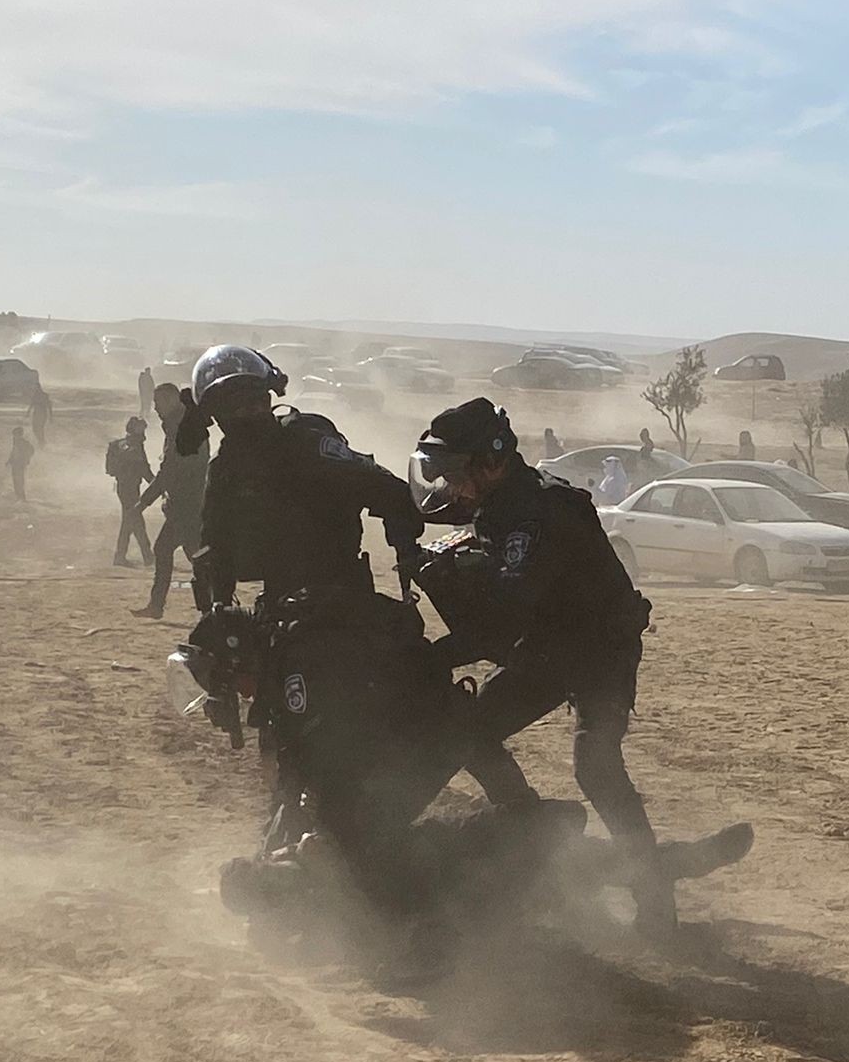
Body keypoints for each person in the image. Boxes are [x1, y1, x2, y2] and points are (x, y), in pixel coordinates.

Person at [410, 398, 671, 934]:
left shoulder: (538, 513)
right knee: (469, 731)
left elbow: (500, 622)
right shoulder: (503, 501)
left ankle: (655, 901)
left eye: (457, 475)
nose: (452, 490)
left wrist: (434, 654)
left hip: (601, 649)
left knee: (595, 766)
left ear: (491, 462)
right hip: (551, 645)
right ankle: (536, 834)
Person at [176, 344, 421, 607]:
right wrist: (219, 608)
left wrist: (407, 557)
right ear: (218, 415)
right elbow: (214, 547)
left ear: (268, 399)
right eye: (235, 408)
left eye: (254, 403)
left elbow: (392, 494)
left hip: (345, 603)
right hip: (280, 604)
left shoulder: (308, 446)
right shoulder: (225, 469)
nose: (247, 413)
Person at [134, 383, 209, 620]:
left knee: (190, 555)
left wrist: (143, 502)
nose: (155, 409)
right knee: (192, 555)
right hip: (187, 503)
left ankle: (211, 608)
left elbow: (170, 471)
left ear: (170, 401)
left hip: (187, 504)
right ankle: (208, 607)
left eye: (158, 403)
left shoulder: (181, 428)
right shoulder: (183, 425)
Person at [104, 416, 153, 565]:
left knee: (130, 521)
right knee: (135, 521)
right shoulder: (135, 446)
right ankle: (146, 556)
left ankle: (126, 556)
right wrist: (158, 485)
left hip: (123, 487)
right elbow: (144, 469)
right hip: (131, 489)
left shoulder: (119, 445)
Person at [7, 426, 35, 501]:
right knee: (16, 480)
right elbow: (13, 452)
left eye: (16, 434)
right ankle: (18, 496)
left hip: (20, 464)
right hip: (15, 463)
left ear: (20, 435)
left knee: (19, 480)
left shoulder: (23, 442)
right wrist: (9, 461)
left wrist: (26, 459)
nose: (14, 436)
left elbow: (32, 450)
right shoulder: (16, 441)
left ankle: (21, 497)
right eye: (14, 435)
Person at [25, 381, 54, 448]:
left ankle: (41, 442)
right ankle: (41, 441)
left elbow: (49, 406)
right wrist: (28, 413)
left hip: (43, 414)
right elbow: (31, 405)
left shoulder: (45, 395)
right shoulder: (35, 395)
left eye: (35, 387)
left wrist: (51, 417)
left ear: (39, 387)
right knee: (35, 429)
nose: (34, 389)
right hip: (36, 414)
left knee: (40, 429)